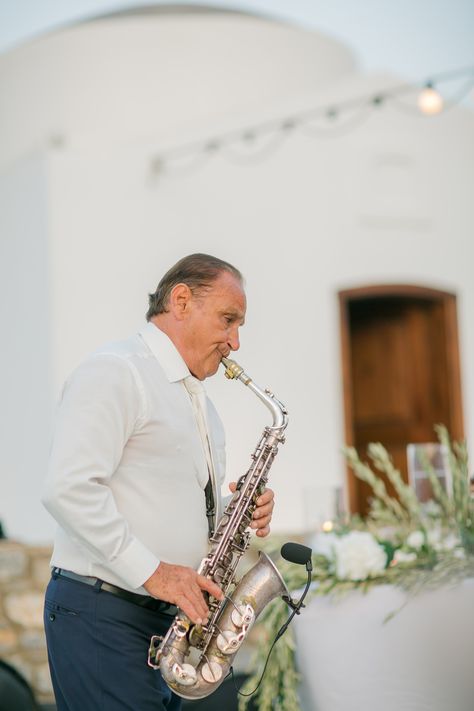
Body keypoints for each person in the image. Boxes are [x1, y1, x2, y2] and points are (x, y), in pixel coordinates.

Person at [42, 253, 275, 711]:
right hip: (102, 614)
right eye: (228, 320)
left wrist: (238, 513)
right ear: (181, 300)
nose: (236, 342)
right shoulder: (117, 370)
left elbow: (172, 510)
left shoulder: (199, 403)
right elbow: (67, 489)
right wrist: (155, 573)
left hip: (163, 628)